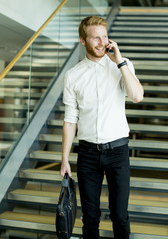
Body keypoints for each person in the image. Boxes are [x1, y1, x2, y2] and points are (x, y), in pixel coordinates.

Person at [60, 15, 144, 239]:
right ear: (83, 40)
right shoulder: (72, 76)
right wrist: (65, 159)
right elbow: (70, 119)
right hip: (87, 154)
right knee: (90, 217)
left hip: (118, 152)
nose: (101, 42)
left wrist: (121, 62)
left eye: (104, 37)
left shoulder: (121, 66)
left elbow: (136, 96)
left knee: (120, 215)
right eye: (95, 38)